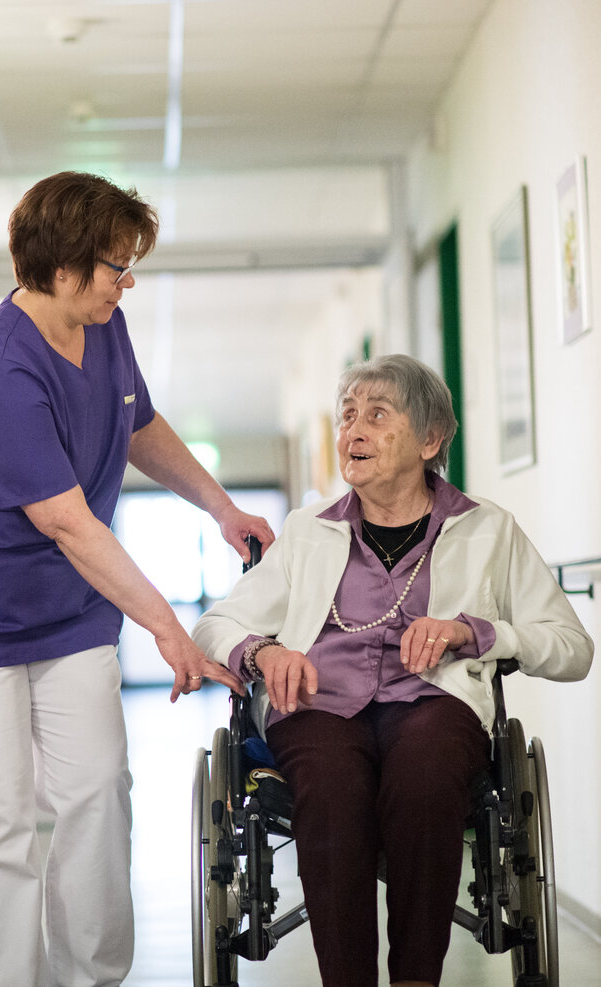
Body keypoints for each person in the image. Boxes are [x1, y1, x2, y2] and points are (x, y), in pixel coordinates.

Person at [0, 171, 274, 987]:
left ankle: (92, 979)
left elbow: (139, 424)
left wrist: (220, 509)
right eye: (114, 267)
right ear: (59, 268)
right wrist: (166, 625)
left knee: (97, 793)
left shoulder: (102, 325)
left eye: (129, 265)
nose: (126, 282)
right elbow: (66, 521)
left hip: (60, 603)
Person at [192, 353, 593, 987]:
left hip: (435, 704)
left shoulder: (488, 531)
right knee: (327, 785)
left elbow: (572, 647)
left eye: (377, 415)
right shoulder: (308, 533)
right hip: (319, 705)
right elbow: (215, 624)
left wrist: (476, 632)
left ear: (430, 439)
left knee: (428, 771)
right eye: (347, 415)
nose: (353, 430)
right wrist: (265, 653)